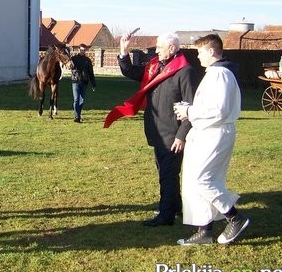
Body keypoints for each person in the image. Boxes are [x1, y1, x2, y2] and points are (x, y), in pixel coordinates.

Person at [105, 32, 198, 227]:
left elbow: (191, 107)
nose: (156, 51)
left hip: (172, 133)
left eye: (159, 47)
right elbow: (130, 72)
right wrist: (124, 49)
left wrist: (181, 136)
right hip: (157, 130)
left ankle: (166, 216)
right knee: (165, 172)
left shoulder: (184, 71)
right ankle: (175, 206)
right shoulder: (156, 66)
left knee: (168, 173)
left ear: (172, 48)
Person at [174, 34, 250, 245]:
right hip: (205, 132)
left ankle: (234, 217)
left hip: (214, 133)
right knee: (194, 181)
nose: (197, 56)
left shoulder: (220, 75)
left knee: (203, 180)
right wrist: (188, 112)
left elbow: (218, 110)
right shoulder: (214, 74)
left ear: (210, 51)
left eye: (199, 52)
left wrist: (188, 110)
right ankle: (204, 230)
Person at [70, 45, 96, 123]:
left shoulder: (87, 60)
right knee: (76, 99)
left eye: (84, 50)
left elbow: (91, 72)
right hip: (75, 82)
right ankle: (76, 116)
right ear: (78, 50)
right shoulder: (73, 59)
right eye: (81, 50)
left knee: (82, 100)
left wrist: (93, 83)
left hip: (84, 82)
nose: (83, 51)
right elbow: (69, 65)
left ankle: (79, 114)